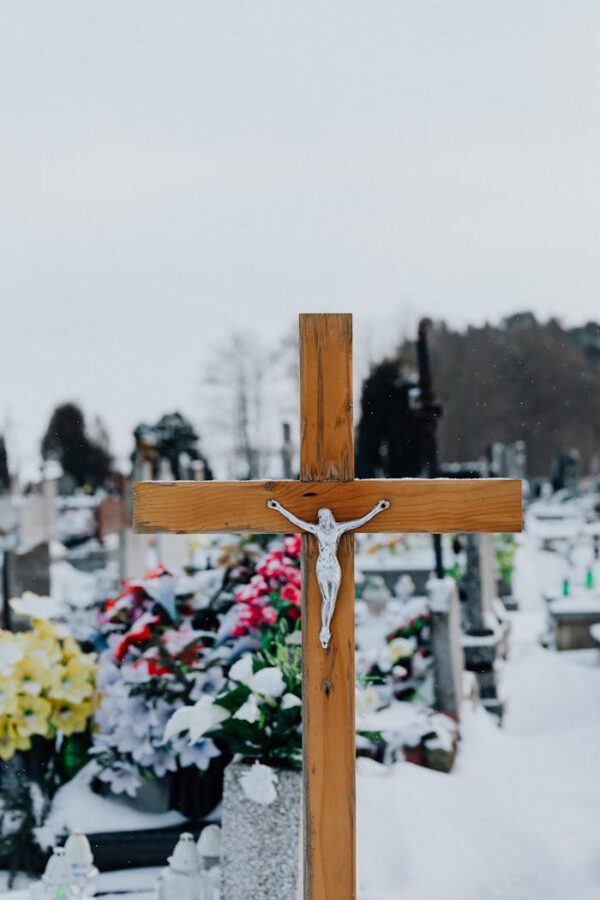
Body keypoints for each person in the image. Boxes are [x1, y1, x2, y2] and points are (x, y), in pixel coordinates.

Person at [267, 498, 390, 648]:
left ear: (329, 517)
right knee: (326, 599)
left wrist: (377, 509)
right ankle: (324, 629)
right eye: (320, 518)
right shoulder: (317, 530)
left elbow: (360, 522)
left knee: (332, 599)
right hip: (322, 568)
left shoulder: (338, 529)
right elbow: (297, 522)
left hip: (333, 567)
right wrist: (279, 508)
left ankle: (326, 627)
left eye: (324, 518)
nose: (322, 521)